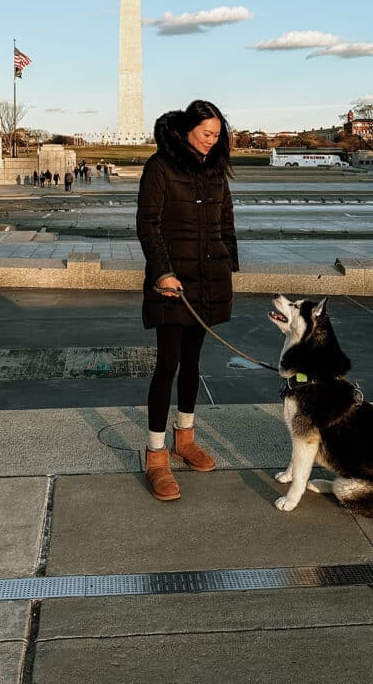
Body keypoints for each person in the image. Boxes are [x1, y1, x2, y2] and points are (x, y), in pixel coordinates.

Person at [136, 99, 238, 501]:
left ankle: (186, 438)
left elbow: (226, 219)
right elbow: (148, 223)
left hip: (208, 280)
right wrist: (162, 271)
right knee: (168, 363)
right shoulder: (160, 167)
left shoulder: (214, 168)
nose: (213, 141)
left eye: (217, 135)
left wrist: (227, 260)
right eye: (206, 134)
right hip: (171, 281)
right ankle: (156, 454)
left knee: (194, 363)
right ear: (186, 130)